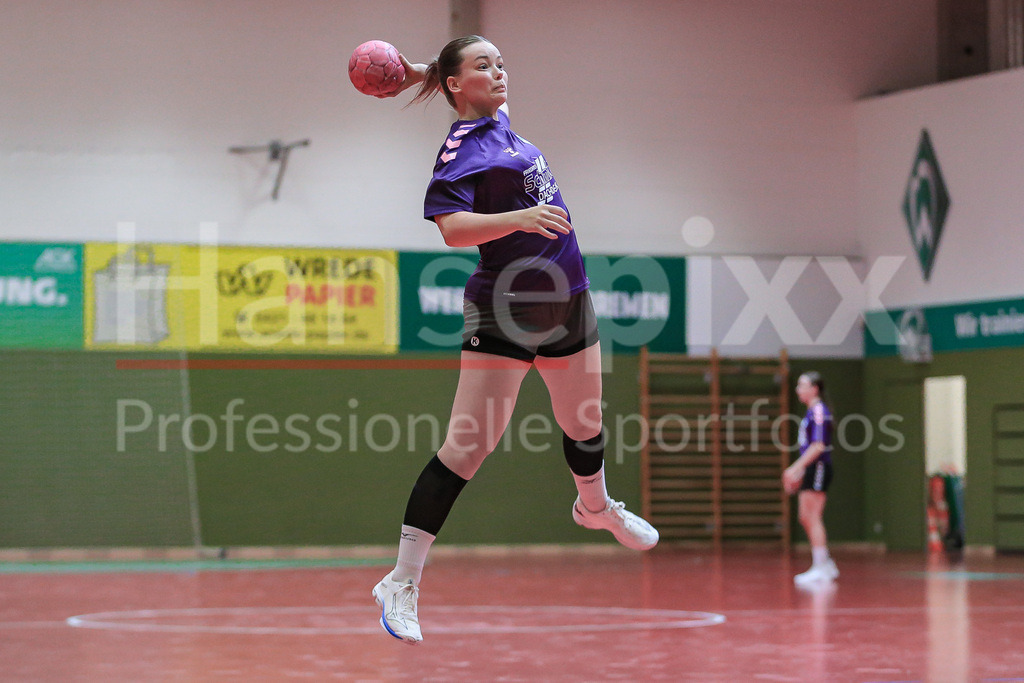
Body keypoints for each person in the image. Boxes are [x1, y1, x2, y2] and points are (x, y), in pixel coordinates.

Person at [368, 35, 659, 644]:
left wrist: (419, 71)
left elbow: (462, 84)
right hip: (505, 307)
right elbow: (452, 228)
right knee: (467, 448)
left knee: (584, 423)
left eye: (501, 63)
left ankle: (595, 509)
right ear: (457, 83)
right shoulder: (461, 150)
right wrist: (520, 219)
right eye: (484, 65)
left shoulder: (499, 124)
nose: (500, 72)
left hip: (569, 297)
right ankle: (401, 580)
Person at [783, 371, 839, 585]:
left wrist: (795, 468)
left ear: (814, 389)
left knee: (812, 516)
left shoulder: (818, 411)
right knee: (805, 516)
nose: (798, 389)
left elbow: (818, 446)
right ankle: (825, 563)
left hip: (819, 467)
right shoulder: (811, 411)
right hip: (812, 468)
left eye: (802, 385)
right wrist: (800, 470)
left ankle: (821, 567)